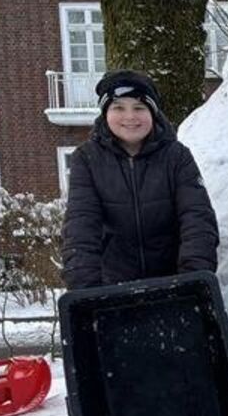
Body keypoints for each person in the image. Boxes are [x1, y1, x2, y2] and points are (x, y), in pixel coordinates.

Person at [62, 70, 218, 290]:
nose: (130, 117)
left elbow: (197, 217)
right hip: (114, 286)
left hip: (173, 284)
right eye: (118, 108)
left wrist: (193, 277)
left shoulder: (176, 156)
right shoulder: (87, 159)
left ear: (152, 113)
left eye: (139, 108)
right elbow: (81, 224)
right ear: (105, 113)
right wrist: (86, 289)